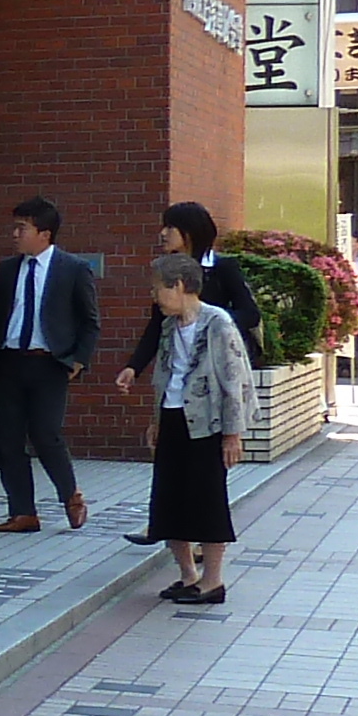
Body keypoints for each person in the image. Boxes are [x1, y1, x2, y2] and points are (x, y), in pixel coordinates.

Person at [114, 204, 268, 544]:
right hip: (177, 393)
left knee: (206, 476)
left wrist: (214, 326)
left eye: (171, 227)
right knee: (174, 471)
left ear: (190, 233)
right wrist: (133, 367)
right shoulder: (165, 275)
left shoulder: (221, 269)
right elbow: (156, 327)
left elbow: (249, 311)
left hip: (212, 385)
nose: (163, 234)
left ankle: (200, 539)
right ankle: (169, 529)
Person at [0, 196, 101, 534]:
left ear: (45, 233)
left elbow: (90, 321)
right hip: (9, 362)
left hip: (50, 363)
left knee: (46, 434)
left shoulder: (73, 269)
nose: (15, 234)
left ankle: (70, 495)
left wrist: (79, 360)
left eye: (22, 228)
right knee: (8, 438)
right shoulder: (7, 270)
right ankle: (23, 512)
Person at [142, 255, 252, 605]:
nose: (155, 296)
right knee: (168, 501)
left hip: (207, 424)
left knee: (207, 502)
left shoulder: (218, 323)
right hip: (173, 418)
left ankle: (213, 581)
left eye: (159, 288)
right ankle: (188, 575)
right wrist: (156, 420)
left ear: (178, 286)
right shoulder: (167, 326)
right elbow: (163, 376)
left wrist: (233, 434)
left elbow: (234, 380)